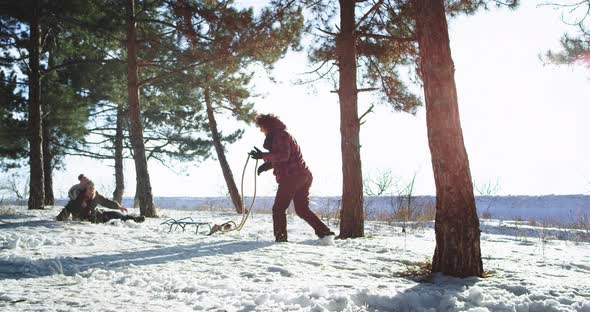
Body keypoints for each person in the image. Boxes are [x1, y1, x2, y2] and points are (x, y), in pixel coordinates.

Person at [250, 114, 334, 242]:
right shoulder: (280, 135)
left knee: (278, 208)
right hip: (303, 176)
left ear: (267, 125)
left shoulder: (280, 135)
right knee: (301, 209)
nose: (260, 130)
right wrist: (266, 165)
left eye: (261, 127)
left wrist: (263, 156)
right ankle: (326, 233)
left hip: (292, 177)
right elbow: (282, 158)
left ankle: (281, 239)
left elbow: (283, 156)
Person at [56, 174, 145, 223]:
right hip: (88, 220)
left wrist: (119, 207)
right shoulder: (76, 201)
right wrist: (64, 219)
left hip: (98, 215)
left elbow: (106, 202)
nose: (92, 190)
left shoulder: (96, 196)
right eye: (90, 188)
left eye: (94, 188)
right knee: (113, 222)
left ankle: (134, 219)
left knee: (116, 214)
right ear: (85, 189)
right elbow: (65, 212)